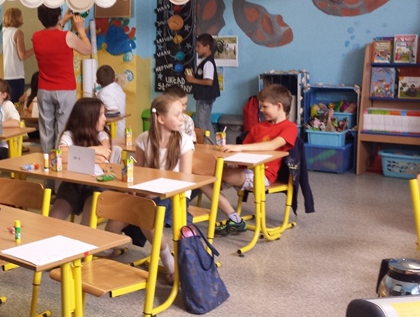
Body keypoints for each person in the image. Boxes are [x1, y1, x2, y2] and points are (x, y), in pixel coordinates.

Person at [103, 93, 194, 281]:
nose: (182, 118)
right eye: (177, 114)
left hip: (175, 196)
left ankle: (168, 261)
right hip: (148, 193)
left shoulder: (184, 141)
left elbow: (185, 180)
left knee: (145, 215)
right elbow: (139, 172)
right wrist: (133, 189)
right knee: (116, 218)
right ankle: (106, 252)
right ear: (161, 119)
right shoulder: (143, 139)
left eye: (181, 114)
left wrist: (152, 192)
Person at [212, 84, 298, 235]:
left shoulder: (290, 127)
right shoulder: (258, 127)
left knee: (222, 175)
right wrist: (231, 157)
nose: (261, 110)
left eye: (265, 106)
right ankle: (235, 219)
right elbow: (244, 151)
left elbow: (272, 145)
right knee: (206, 179)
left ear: (279, 106)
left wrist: (238, 148)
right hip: (246, 170)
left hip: (264, 175)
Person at [32, 6, 92, 154]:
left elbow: (52, 35)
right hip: (65, 88)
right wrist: (80, 29)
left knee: (46, 130)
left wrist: (62, 21)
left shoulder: (36, 36)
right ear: (58, 16)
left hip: (44, 89)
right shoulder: (68, 36)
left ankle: (47, 163)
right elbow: (87, 50)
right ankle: (59, 163)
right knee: (63, 128)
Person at [48, 98, 111, 221]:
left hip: (96, 184)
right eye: (101, 114)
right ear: (88, 117)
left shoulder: (102, 135)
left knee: (88, 221)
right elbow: (58, 156)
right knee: (53, 218)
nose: (105, 118)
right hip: (72, 183)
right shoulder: (69, 135)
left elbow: (103, 156)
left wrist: (74, 155)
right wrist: (93, 151)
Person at [184, 33, 220, 142]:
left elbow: (209, 82)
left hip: (205, 97)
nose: (196, 49)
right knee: (206, 122)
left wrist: (193, 80)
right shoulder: (205, 62)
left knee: (201, 123)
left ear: (207, 47)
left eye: (198, 46)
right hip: (204, 97)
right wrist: (194, 76)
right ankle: (211, 144)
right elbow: (204, 78)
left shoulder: (208, 63)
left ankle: (206, 145)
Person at [2, 7, 34, 103]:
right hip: (16, 75)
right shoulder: (18, 33)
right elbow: (22, 55)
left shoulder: (2, 32)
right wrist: (36, 48)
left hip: (3, 74)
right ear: (16, 18)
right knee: (16, 105)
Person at [96, 64, 126, 136]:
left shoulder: (104, 93)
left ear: (97, 81)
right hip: (120, 127)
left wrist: (98, 113)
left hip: (111, 130)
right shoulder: (118, 88)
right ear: (114, 79)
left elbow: (114, 111)